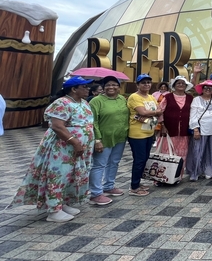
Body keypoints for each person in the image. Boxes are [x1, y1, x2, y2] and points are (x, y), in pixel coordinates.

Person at [10, 76, 95, 222]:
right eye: (84, 87)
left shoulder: (84, 103)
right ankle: (54, 210)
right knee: (58, 175)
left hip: (79, 149)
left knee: (72, 175)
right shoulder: (62, 103)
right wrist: (74, 141)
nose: (88, 89)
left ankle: (64, 203)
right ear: (74, 89)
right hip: (62, 147)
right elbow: (57, 126)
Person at [88, 76, 130, 206]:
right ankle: (95, 193)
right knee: (99, 165)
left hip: (120, 137)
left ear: (119, 86)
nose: (111, 87)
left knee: (114, 162)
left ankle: (109, 185)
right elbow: (92, 122)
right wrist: (97, 139)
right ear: (103, 87)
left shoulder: (122, 99)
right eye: (108, 85)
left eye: (114, 85)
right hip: (103, 138)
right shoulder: (96, 101)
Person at [127, 74, 162, 196]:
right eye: (143, 83)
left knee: (145, 158)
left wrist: (151, 113)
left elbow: (159, 110)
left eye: (148, 82)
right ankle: (134, 186)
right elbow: (143, 112)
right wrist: (153, 112)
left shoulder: (151, 97)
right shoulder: (134, 97)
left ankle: (138, 182)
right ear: (137, 85)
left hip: (149, 131)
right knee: (139, 160)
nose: (146, 85)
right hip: (137, 134)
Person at [160, 76, 194, 178]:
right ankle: (163, 176)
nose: (181, 85)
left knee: (182, 154)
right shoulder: (167, 97)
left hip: (184, 132)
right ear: (174, 86)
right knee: (167, 153)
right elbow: (160, 111)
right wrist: (162, 125)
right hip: (169, 130)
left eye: (183, 83)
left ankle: (177, 176)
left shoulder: (190, 98)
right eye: (178, 83)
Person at [189, 80, 212, 181]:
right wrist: (195, 129)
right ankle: (196, 171)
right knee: (198, 151)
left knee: (211, 151)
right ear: (202, 90)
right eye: (205, 88)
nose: (207, 90)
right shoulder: (196, 100)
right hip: (201, 128)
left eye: (210, 88)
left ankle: (209, 171)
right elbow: (193, 116)